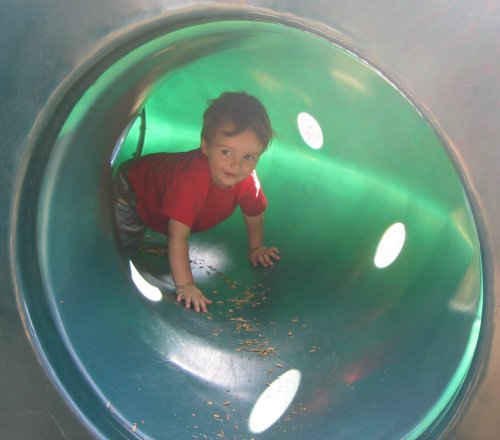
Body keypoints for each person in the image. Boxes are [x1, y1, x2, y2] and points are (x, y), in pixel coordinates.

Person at [113, 91, 280, 313]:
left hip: (160, 196)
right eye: (226, 152)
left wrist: (256, 248)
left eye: (248, 157)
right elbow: (178, 236)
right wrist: (185, 286)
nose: (235, 165)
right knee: (121, 244)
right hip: (135, 187)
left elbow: (254, 213)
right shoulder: (191, 181)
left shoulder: (247, 179)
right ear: (205, 145)